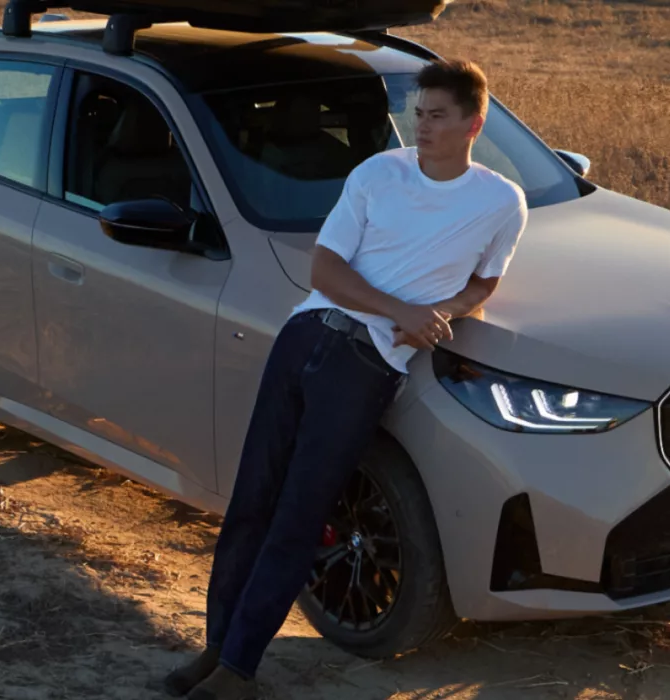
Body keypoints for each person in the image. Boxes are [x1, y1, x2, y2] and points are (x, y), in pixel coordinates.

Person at [157, 59, 526, 700]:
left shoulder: (499, 202)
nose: (423, 126)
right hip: (305, 335)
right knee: (252, 502)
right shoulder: (378, 173)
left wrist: (445, 315)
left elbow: (486, 281)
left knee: (299, 514)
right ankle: (214, 650)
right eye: (419, 112)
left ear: (475, 122)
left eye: (439, 115)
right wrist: (402, 310)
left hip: (366, 366)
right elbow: (325, 270)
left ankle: (238, 670)